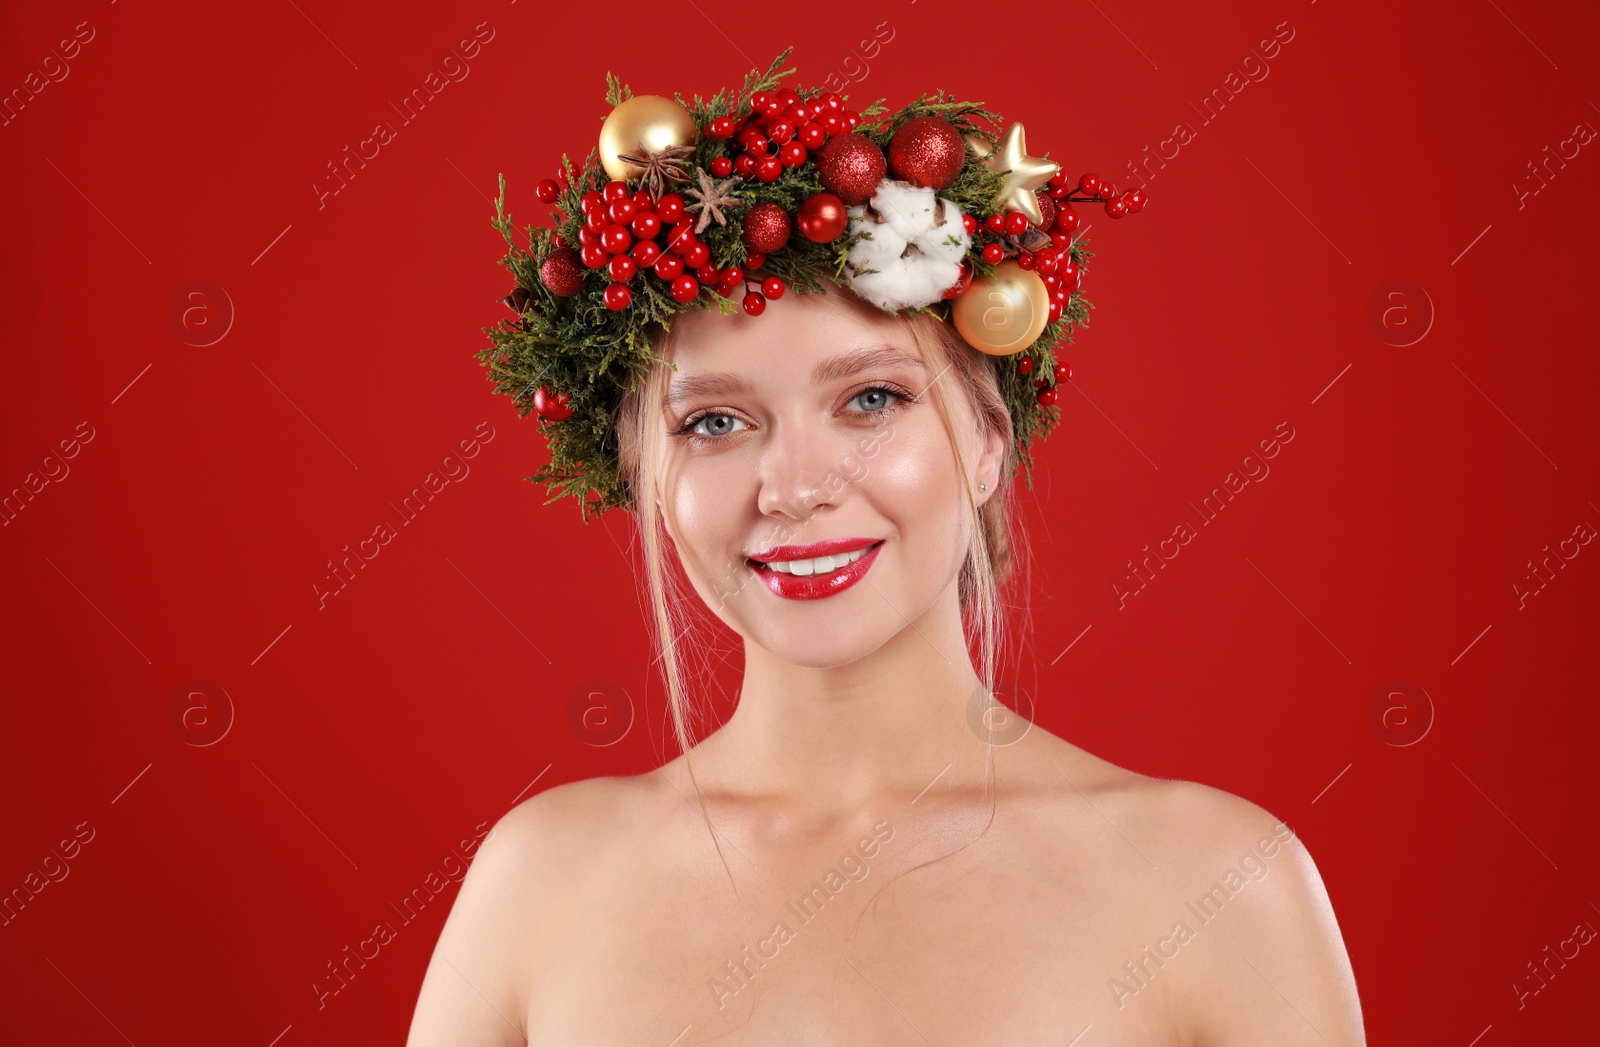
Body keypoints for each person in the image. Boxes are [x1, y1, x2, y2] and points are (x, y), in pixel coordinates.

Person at [406, 53, 1365, 1045]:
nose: (795, 487)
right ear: (646, 474)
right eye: (715, 422)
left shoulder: (1214, 886)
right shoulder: (540, 883)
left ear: (988, 440)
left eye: (871, 399)